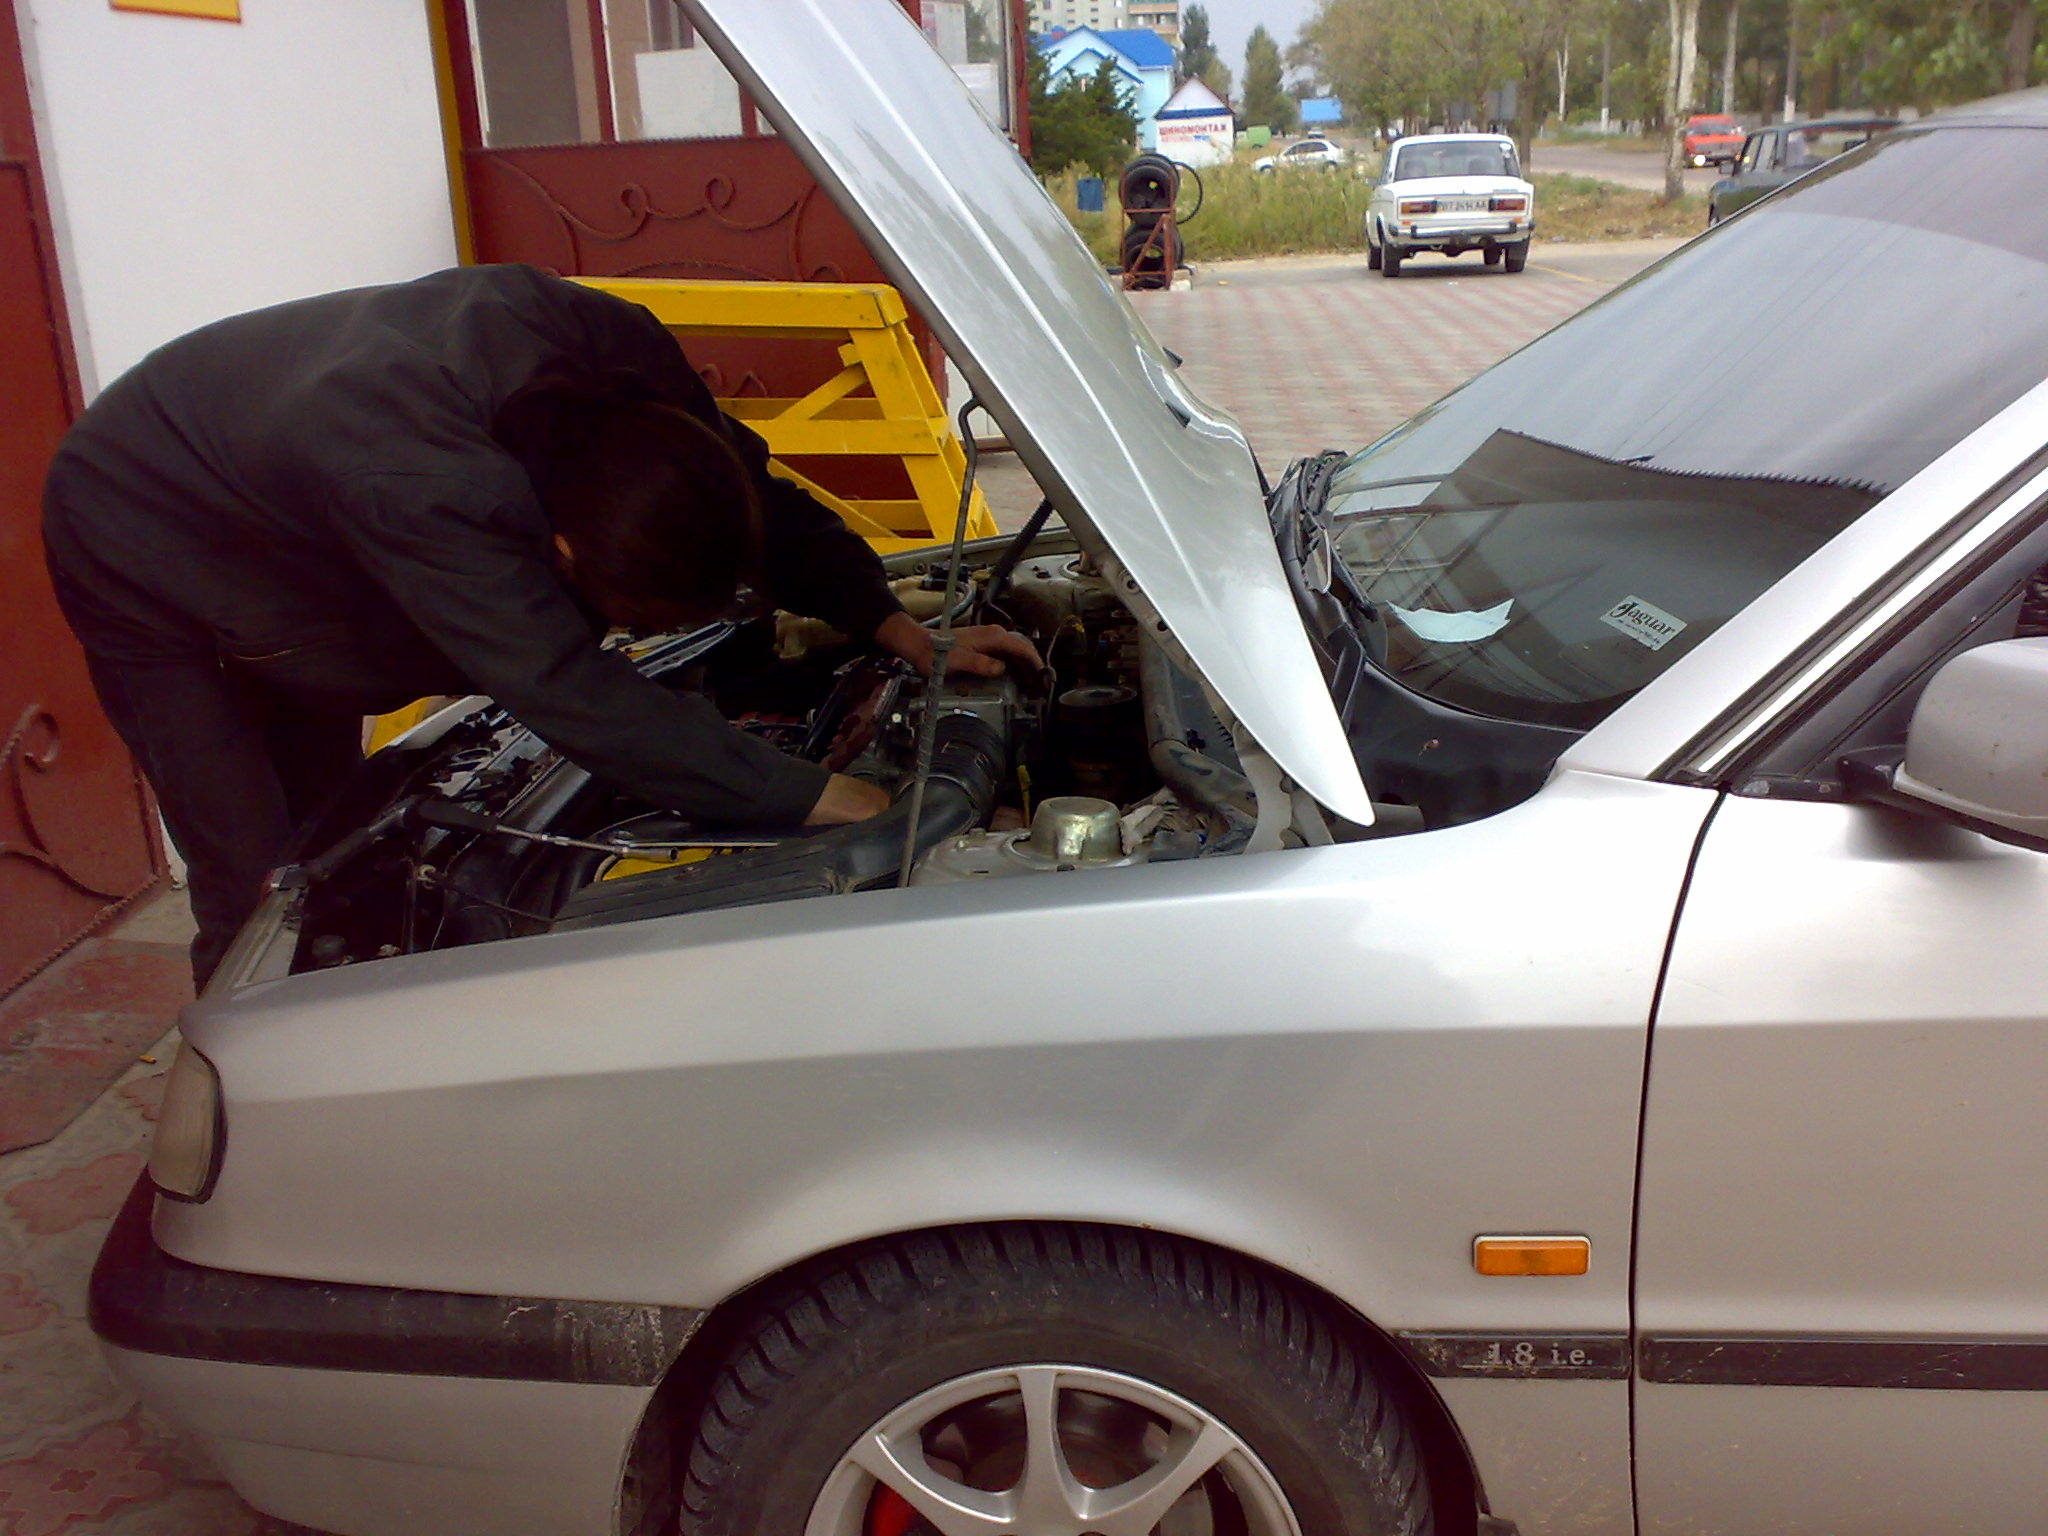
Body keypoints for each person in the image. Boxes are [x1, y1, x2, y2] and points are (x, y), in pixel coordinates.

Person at [42, 264, 1038, 986]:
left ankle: (351, 1018)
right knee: (262, 873)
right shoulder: (425, 487)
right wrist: (829, 797)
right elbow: (563, 685)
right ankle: (242, 1104)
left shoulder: (620, 358)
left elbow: (748, 499)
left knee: (332, 827)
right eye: (630, 620)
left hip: (287, 476)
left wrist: (896, 627)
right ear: (559, 553)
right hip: (139, 522)